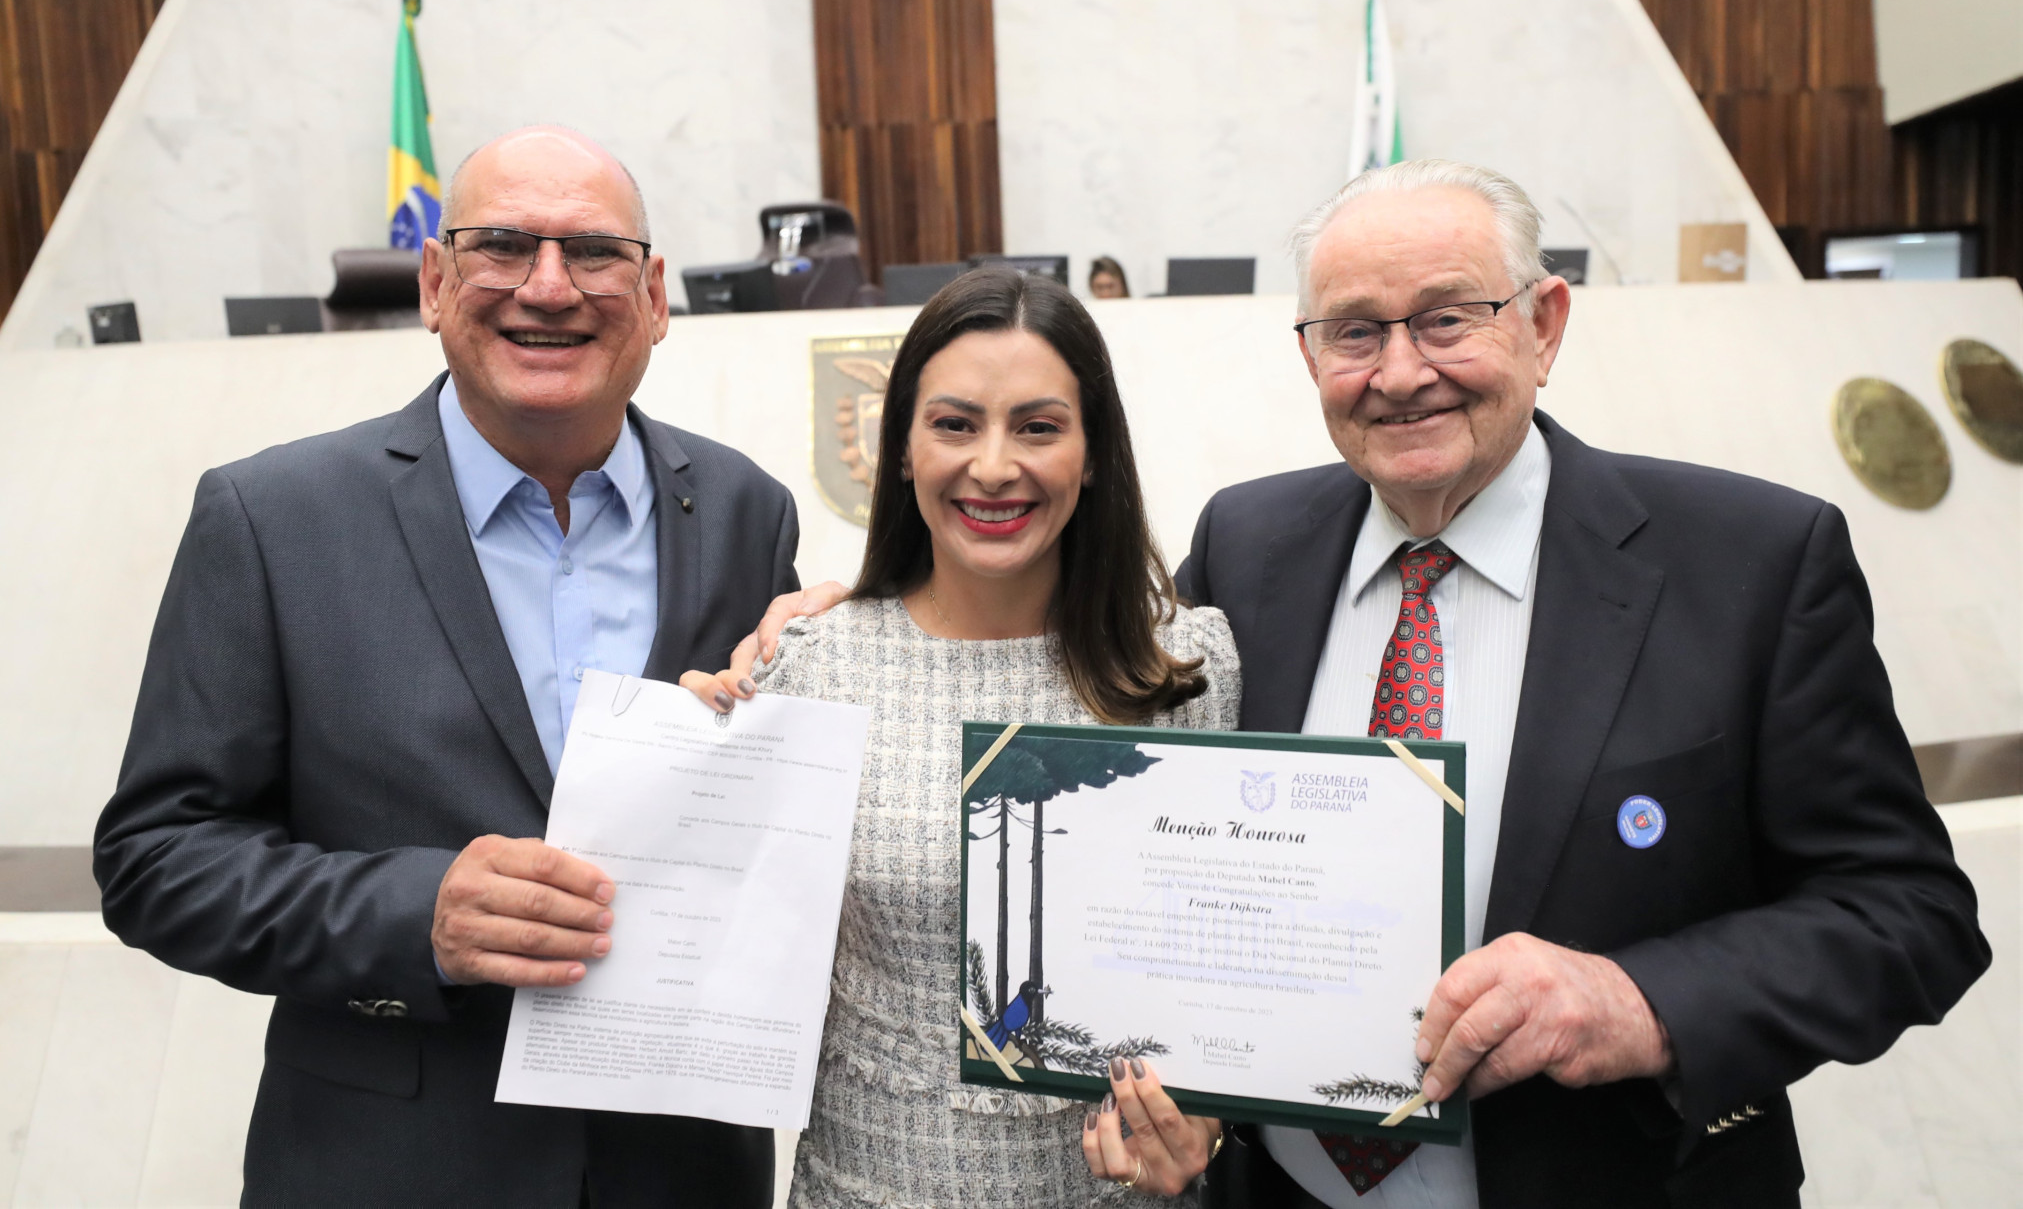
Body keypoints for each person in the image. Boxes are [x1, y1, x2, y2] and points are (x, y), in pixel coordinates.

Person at [738, 160, 1990, 1209]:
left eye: (1448, 317)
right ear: (1310, 353)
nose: (1399, 372)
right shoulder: (1253, 555)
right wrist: (839, 625)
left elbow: (1909, 914)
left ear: (1544, 324)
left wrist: (1637, 999)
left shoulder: (1751, 564)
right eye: (1355, 332)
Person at [93, 126, 800, 1207]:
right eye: (502, 247)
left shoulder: (747, 511)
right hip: (389, 1170)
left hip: (679, 1173)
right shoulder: (273, 521)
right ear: (434, 282)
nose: (549, 288)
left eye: (595, 253)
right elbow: (156, 858)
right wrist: (414, 913)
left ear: (655, 295)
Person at [682, 268, 1239, 1207]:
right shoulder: (813, 666)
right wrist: (687, 760)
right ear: (900, 450)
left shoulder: (1186, 670)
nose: (991, 465)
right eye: (953, 424)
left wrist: (1209, 1125)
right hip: (863, 1186)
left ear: (1093, 451)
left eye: (1037, 426)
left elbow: (1231, 964)